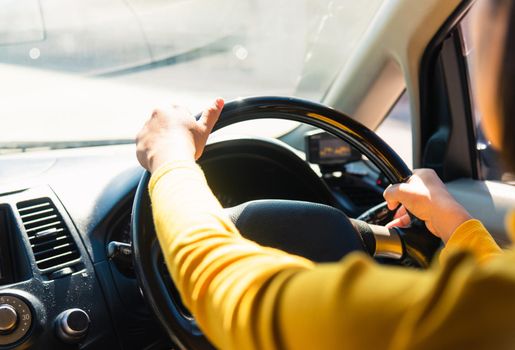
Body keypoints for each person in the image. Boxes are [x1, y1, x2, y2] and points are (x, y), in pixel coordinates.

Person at [135, 0, 515, 348]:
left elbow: (229, 290)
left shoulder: (440, 322)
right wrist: (460, 227)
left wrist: (170, 157)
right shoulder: (486, 308)